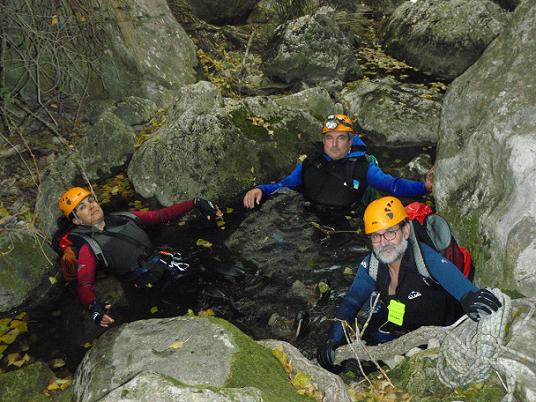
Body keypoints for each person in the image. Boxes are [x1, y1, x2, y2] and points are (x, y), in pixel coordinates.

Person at [317, 196, 502, 372]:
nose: (383, 243)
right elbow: (351, 303)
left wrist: (471, 297)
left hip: (443, 331)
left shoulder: (425, 258)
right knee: (368, 346)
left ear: (405, 231)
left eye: (390, 232)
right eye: (376, 236)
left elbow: (460, 286)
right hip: (402, 327)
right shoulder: (371, 265)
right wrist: (332, 341)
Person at [57, 187, 222, 328]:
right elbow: (84, 283)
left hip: (168, 263)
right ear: (76, 220)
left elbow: (162, 215)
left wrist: (195, 203)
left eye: (91, 201)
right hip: (153, 287)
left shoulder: (123, 217)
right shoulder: (89, 247)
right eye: (82, 207)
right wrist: (94, 307)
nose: (91, 206)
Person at [243, 114, 434, 218]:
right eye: (329, 138)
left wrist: (423, 187)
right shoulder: (310, 163)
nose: (334, 144)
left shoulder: (363, 167)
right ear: (323, 141)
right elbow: (284, 185)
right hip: (309, 219)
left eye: (341, 138)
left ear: (350, 143)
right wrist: (260, 189)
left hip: (347, 224)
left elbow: (393, 185)